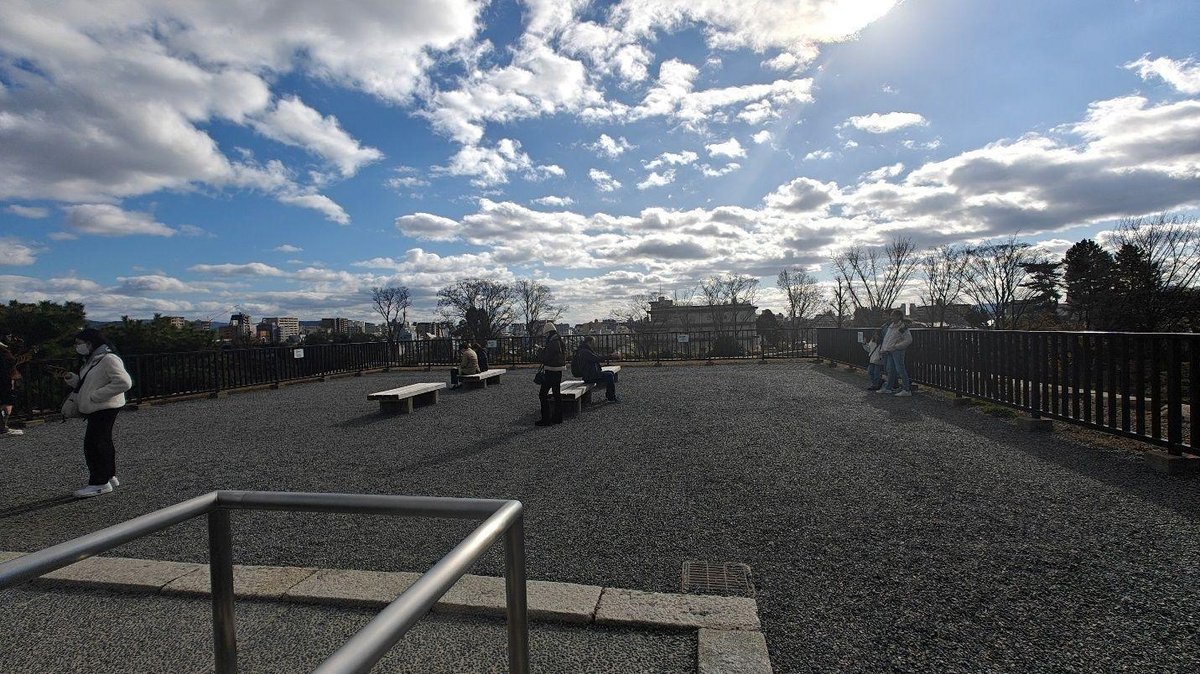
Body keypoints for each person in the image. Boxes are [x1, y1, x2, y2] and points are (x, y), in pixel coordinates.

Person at [61, 328, 132, 498]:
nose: (77, 347)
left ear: (90, 343)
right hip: (102, 405)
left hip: (104, 406)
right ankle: (109, 476)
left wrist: (95, 396)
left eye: (79, 343)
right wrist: (73, 379)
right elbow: (91, 382)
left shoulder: (108, 358)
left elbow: (124, 382)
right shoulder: (95, 358)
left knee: (94, 444)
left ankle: (99, 483)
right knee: (103, 442)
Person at [877, 309, 914, 397]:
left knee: (900, 369)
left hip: (898, 351)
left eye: (893, 316)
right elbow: (887, 339)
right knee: (891, 369)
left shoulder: (902, 327)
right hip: (890, 350)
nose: (891, 317)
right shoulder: (892, 326)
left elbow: (908, 339)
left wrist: (897, 346)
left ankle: (906, 389)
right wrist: (884, 349)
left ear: (898, 316)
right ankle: (889, 388)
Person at [572, 336, 619, 402]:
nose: (594, 344)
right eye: (593, 342)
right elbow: (597, 358)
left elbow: (597, 356)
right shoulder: (585, 352)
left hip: (590, 374)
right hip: (590, 376)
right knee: (609, 375)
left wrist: (610, 356)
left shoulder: (584, 350)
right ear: (589, 342)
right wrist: (611, 356)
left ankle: (610, 396)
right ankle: (611, 397)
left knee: (610, 373)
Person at [535, 330, 566, 426]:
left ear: (549, 333)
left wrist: (539, 350)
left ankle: (546, 419)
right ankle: (558, 417)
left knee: (543, 394)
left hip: (551, 370)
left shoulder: (552, 343)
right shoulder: (560, 341)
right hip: (558, 370)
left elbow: (545, 358)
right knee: (557, 394)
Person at [0, 338, 23, 436]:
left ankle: (3, 427)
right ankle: (2, 428)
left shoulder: (4, 354)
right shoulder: (4, 354)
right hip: (4, 383)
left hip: (5, 382)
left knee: (5, 405)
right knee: (5, 405)